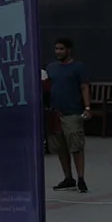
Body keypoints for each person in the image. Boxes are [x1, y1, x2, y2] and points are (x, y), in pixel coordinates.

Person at [46, 39, 90, 193]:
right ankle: (68, 178)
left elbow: (84, 87)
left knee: (76, 146)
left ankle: (81, 178)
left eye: (61, 49)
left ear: (69, 50)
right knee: (61, 148)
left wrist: (87, 107)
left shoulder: (78, 67)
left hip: (73, 113)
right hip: (56, 113)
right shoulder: (51, 68)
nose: (58, 51)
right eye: (56, 48)